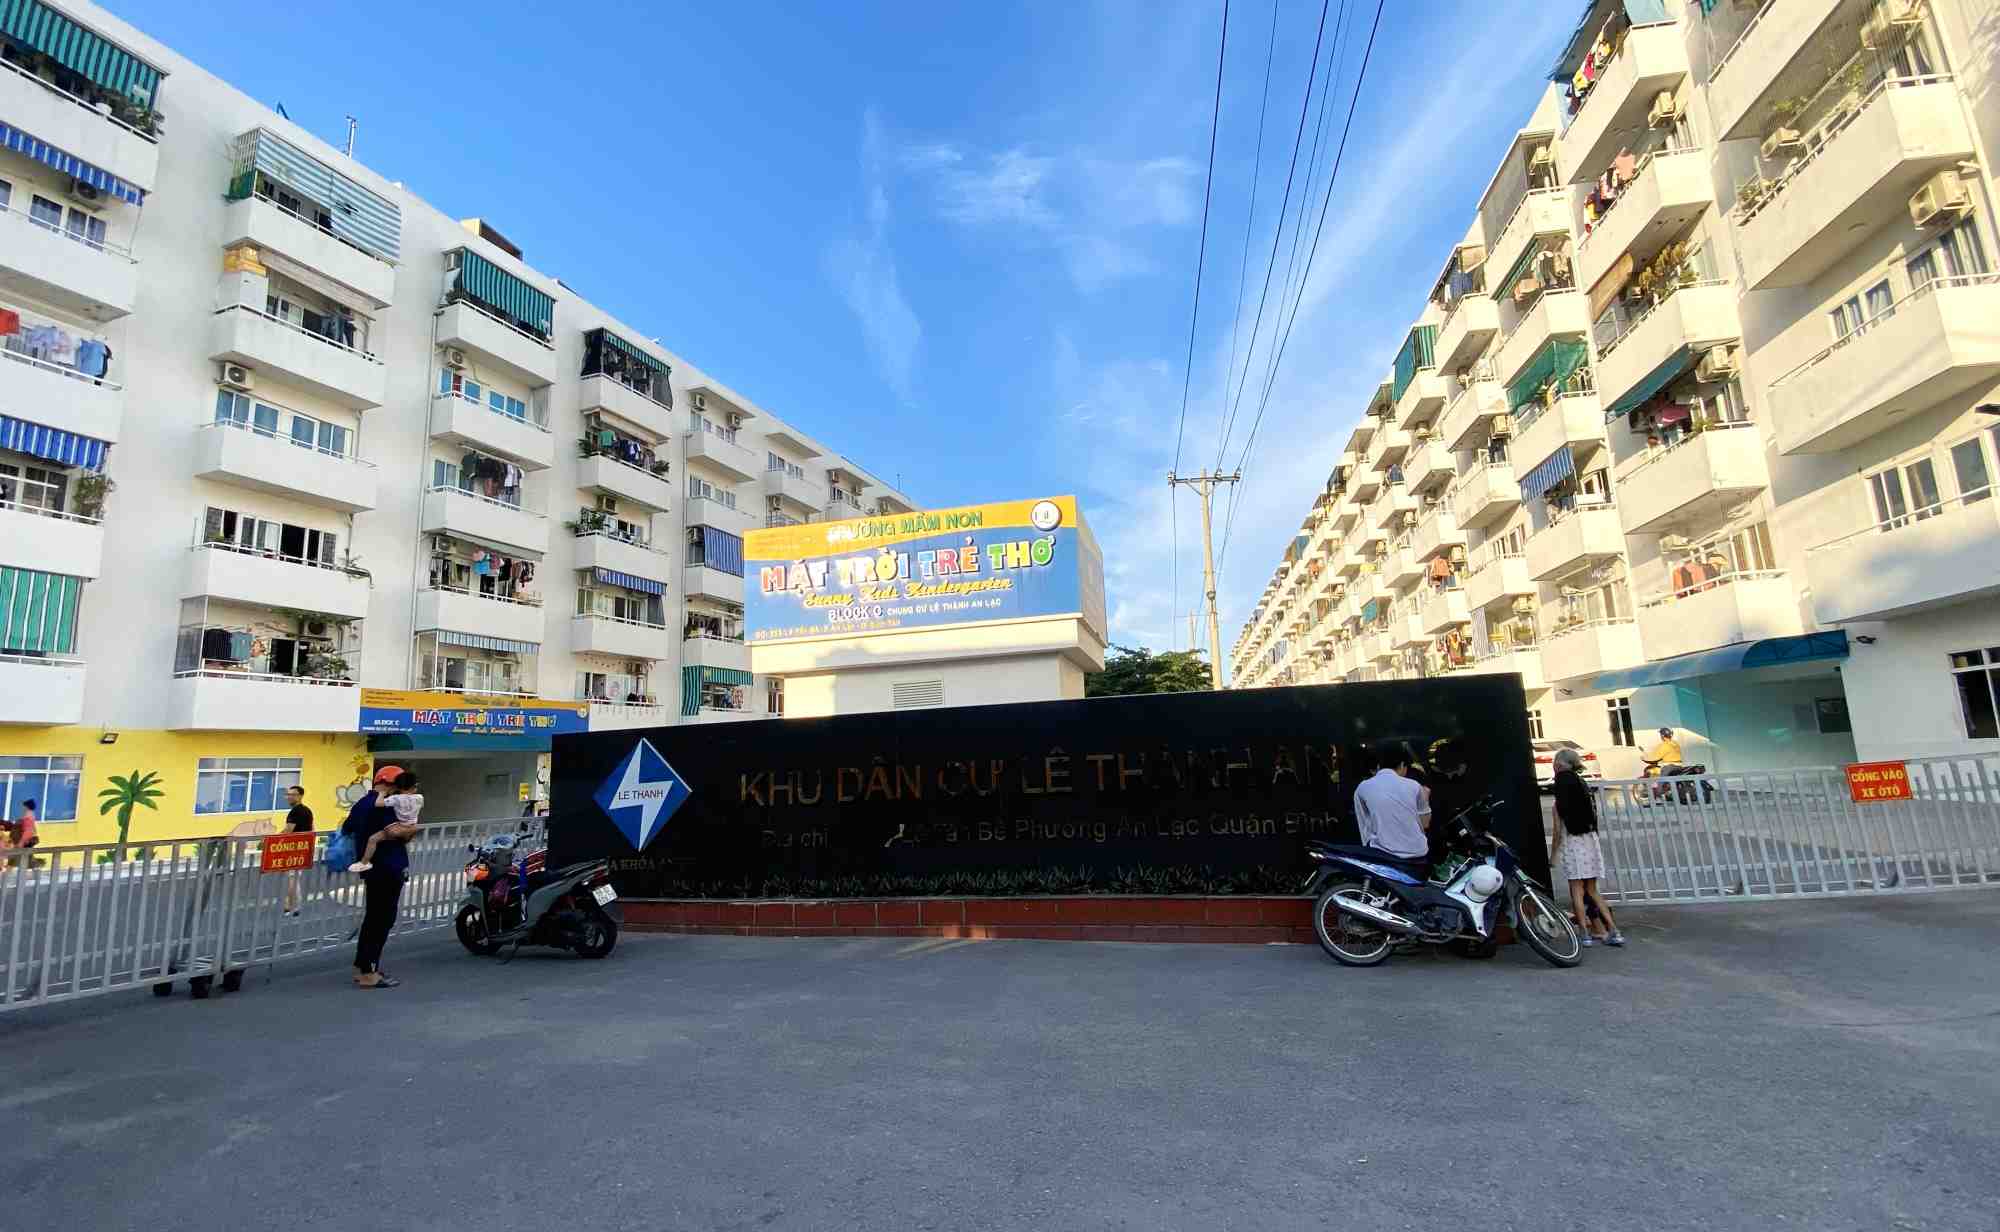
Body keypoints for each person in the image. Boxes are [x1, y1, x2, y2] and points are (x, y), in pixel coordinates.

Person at [340, 766, 412, 988]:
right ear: (391, 784)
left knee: (373, 918)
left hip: (372, 868)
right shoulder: (386, 805)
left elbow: (347, 827)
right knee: (382, 920)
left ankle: (363, 966)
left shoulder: (362, 803)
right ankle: (368, 972)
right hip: (388, 867)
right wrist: (410, 828)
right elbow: (399, 832)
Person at [1548, 748, 1623, 947]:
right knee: (1592, 890)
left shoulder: (1560, 799)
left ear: (1560, 764)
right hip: (1590, 841)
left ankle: (1584, 933)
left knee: (1576, 891)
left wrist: (1553, 856)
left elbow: (1557, 832)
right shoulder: (1582, 785)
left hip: (1573, 843)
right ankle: (1614, 931)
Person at [1352, 741, 1432, 870]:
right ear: (1402, 765)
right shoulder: (1414, 785)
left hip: (1383, 856)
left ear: (1378, 766)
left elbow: (1364, 827)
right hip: (1418, 855)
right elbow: (1425, 823)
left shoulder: (1363, 787)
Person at [351, 771, 422, 873]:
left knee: (373, 839)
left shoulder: (393, 800)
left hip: (378, 865)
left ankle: (364, 862)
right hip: (398, 860)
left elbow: (379, 804)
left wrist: (381, 795)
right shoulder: (419, 798)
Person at [282, 785, 313, 916]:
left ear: (300, 796)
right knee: (294, 877)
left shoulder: (295, 812)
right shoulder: (307, 810)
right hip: (303, 847)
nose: (289, 797)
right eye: (288, 794)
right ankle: (293, 905)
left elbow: (288, 831)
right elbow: (312, 828)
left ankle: (291, 906)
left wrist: (271, 840)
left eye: (292, 794)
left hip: (294, 848)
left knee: (292, 877)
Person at [4, 797, 38, 868]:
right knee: (25, 860)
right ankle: (36, 872)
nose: (22, 808)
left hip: (23, 842)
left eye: (24, 806)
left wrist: (21, 843)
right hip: (25, 842)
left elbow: (27, 831)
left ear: (27, 807)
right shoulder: (30, 815)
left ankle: (5, 876)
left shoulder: (27, 817)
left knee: (13, 860)